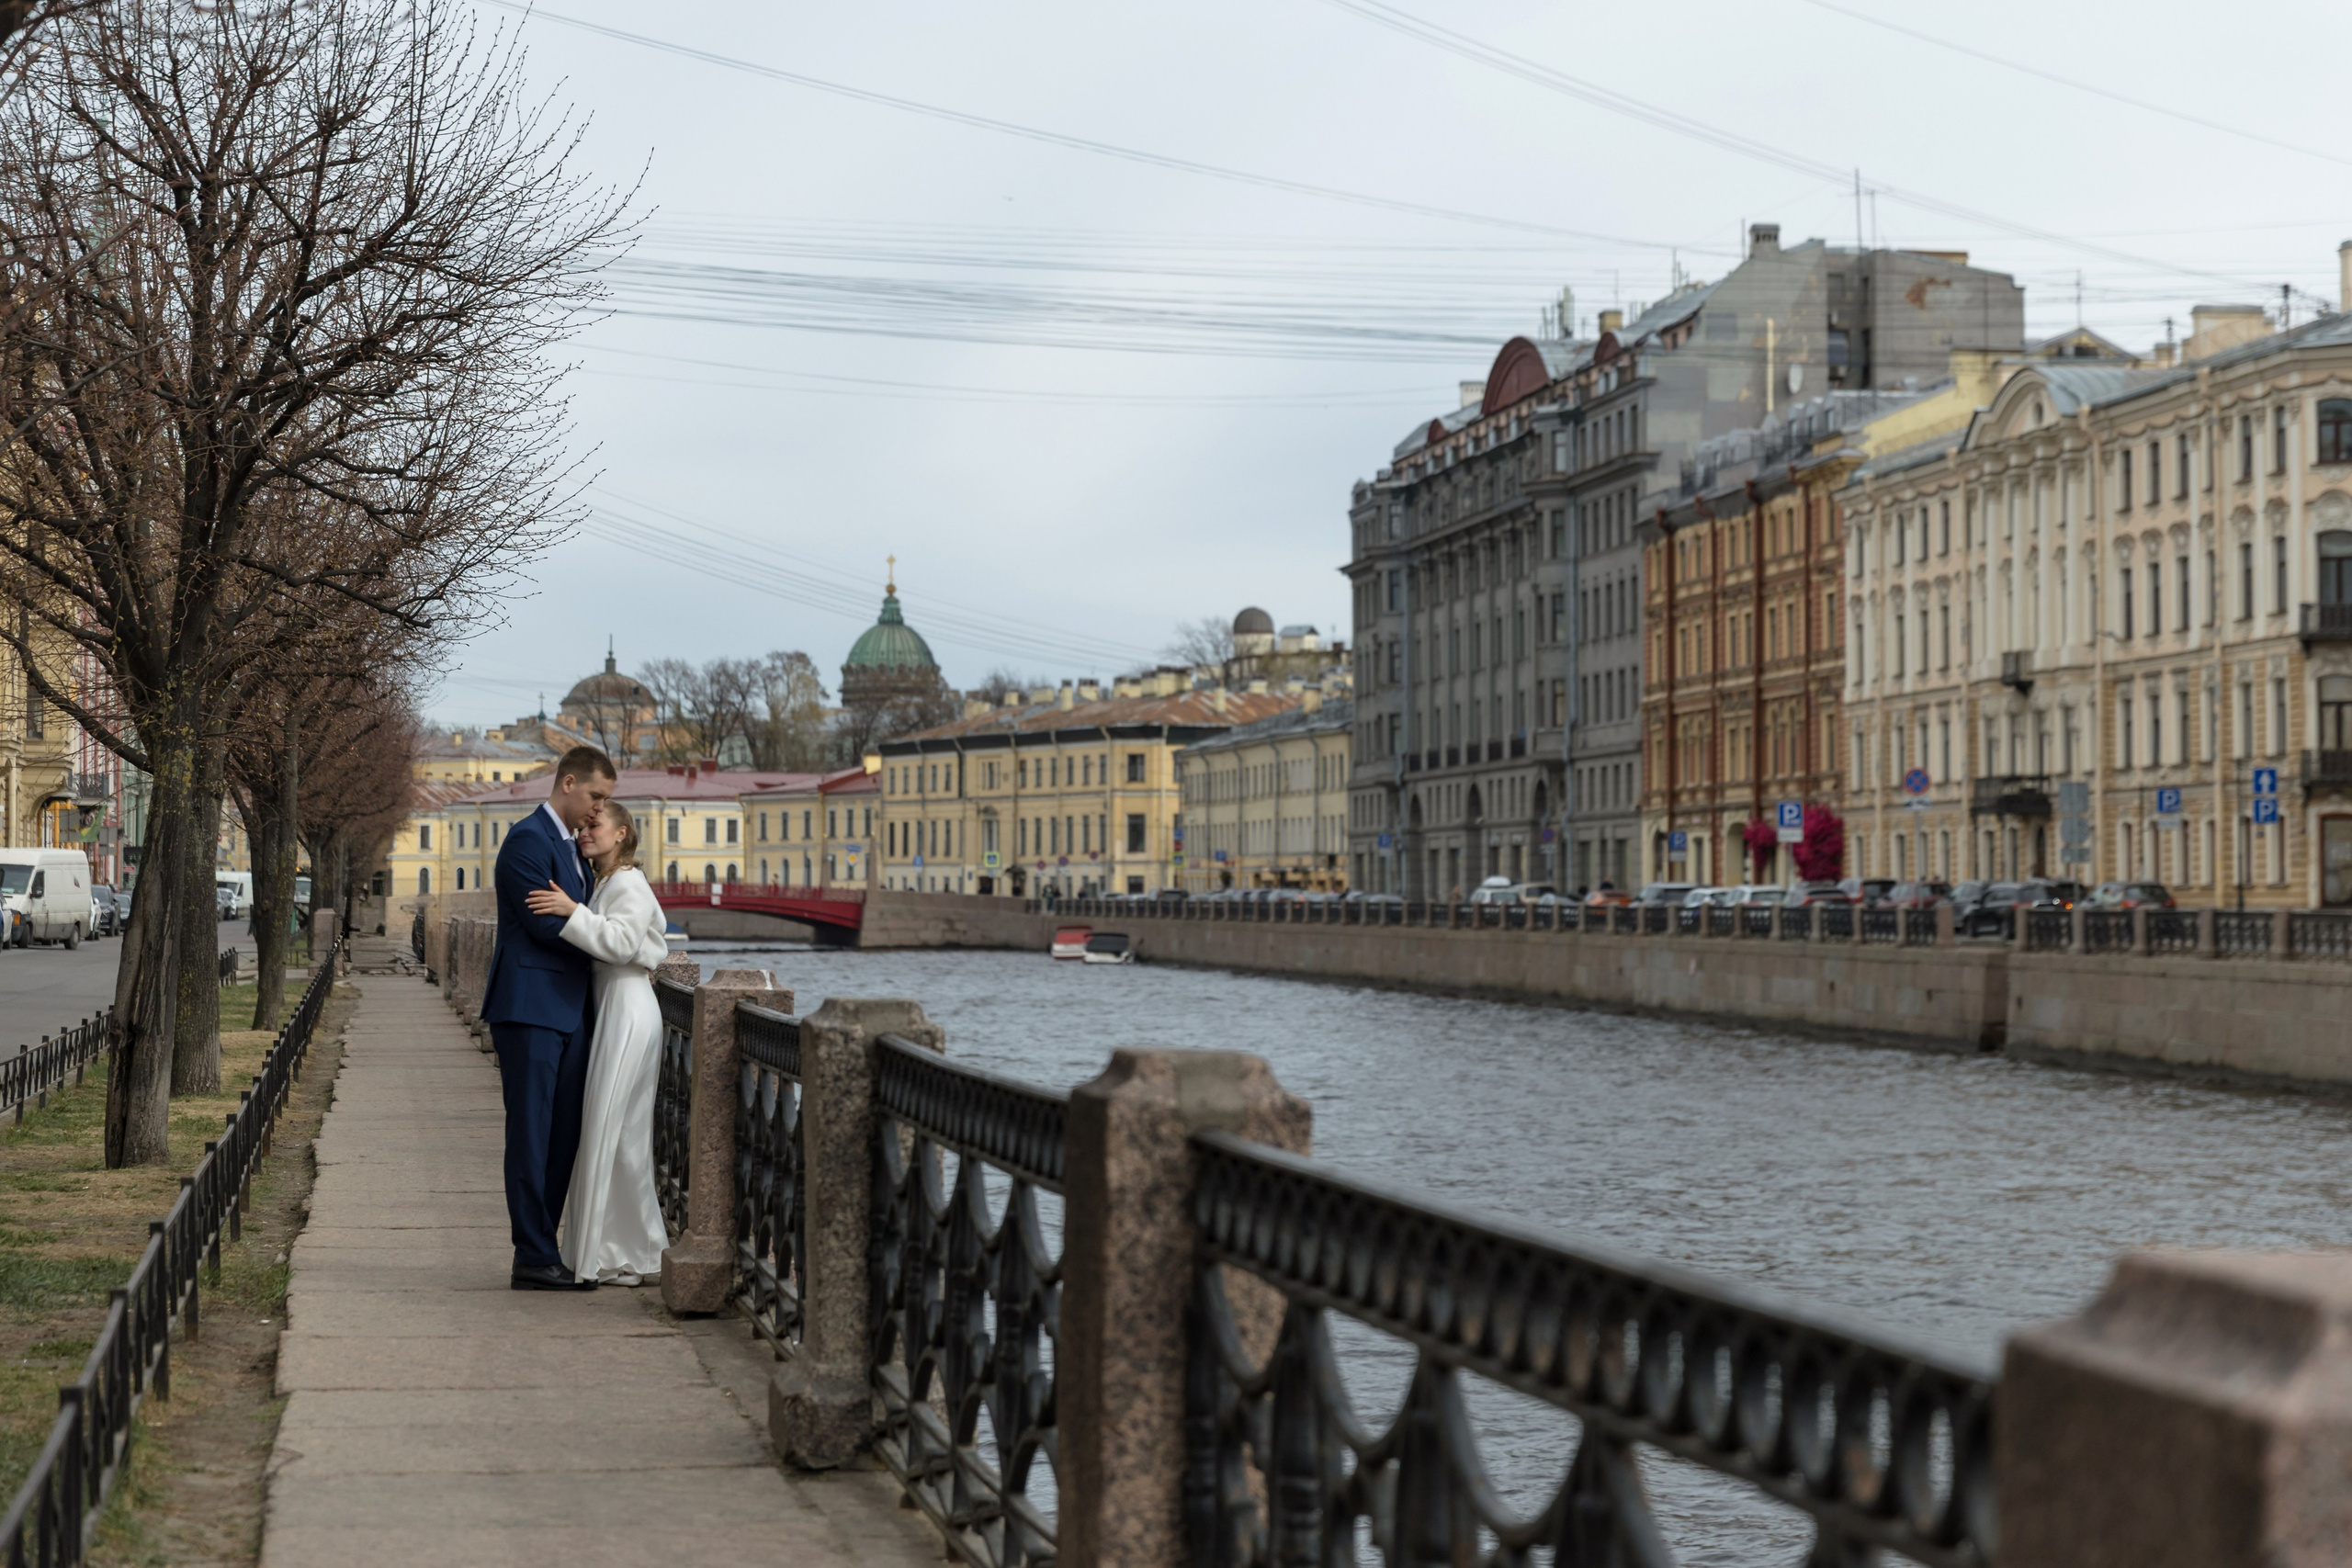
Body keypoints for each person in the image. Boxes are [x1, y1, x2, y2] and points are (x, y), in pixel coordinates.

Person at [482, 746, 615, 1292]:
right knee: (532, 1136)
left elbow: (572, 917)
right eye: (596, 796)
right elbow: (544, 926)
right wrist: (610, 944)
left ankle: (546, 1248)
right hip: (530, 1009)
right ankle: (531, 1256)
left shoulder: (572, 850)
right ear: (567, 783)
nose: (599, 809)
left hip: (566, 1012)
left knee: (563, 1137)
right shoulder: (527, 841)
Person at [526, 800, 670, 1285]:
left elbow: (624, 944)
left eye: (596, 825)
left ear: (622, 833)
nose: (586, 832)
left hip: (627, 1011)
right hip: (612, 1007)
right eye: (584, 825)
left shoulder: (627, 882)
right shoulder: (605, 882)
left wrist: (569, 913)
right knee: (615, 1135)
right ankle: (622, 1254)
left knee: (614, 1132)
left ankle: (623, 1255)